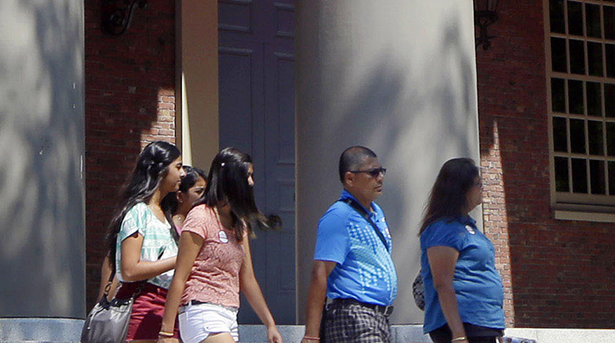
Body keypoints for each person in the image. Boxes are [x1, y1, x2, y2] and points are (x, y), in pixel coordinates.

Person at [157, 147, 284, 343]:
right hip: (201, 311)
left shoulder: (239, 223)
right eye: (248, 176)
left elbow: (247, 279)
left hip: (229, 315)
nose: (252, 182)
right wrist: (166, 333)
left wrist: (270, 324)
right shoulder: (200, 216)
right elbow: (180, 276)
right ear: (232, 178)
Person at [305, 146, 395, 343]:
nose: (380, 178)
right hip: (354, 317)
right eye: (373, 172)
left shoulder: (376, 212)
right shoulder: (338, 216)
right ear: (350, 178)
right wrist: (311, 335)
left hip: (379, 318)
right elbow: (320, 272)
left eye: (382, 171)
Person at [102, 141, 185, 341]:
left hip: (169, 306)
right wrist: (180, 260)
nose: (183, 174)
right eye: (178, 166)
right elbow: (130, 270)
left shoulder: (166, 214)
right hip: (144, 303)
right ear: (160, 169)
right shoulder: (139, 212)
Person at [417, 158, 503, 343]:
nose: (482, 189)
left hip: (484, 323)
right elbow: (442, 282)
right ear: (462, 189)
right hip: (463, 324)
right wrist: (458, 334)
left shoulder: (468, 227)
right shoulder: (444, 229)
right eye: (478, 184)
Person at [168, 167, 207, 231]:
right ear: (180, 196)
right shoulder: (170, 227)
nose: (204, 196)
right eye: (199, 192)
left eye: (206, 192)